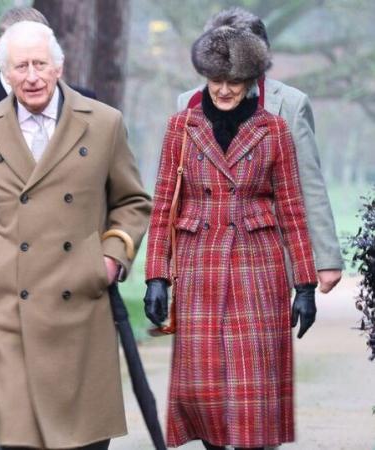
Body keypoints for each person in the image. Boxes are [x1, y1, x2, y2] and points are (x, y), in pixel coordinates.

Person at [0, 21, 152, 449]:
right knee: (18, 438)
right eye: (20, 66)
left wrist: (111, 259)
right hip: (7, 307)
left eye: (40, 64)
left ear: (59, 67)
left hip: (80, 297)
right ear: (7, 74)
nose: (32, 76)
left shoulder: (103, 123)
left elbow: (132, 202)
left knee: (84, 439)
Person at [144, 23, 318, 449]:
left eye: (234, 81)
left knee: (253, 388)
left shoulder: (273, 129)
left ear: (250, 80)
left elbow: (292, 207)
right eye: (216, 80)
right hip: (198, 264)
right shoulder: (181, 127)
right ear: (204, 76)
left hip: (257, 268)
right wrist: (155, 277)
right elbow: (164, 204)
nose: (223, 90)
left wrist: (306, 284)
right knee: (203, 389)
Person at [177, 7, 343, 294]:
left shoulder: (290, 104)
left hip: (266, 254)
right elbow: (178, 188)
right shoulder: (187, 103)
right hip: (201, 254)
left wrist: (326, 259)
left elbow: (309, 183)